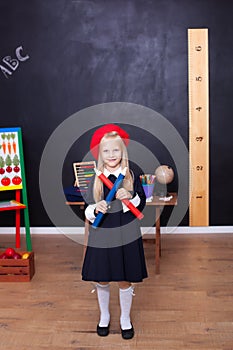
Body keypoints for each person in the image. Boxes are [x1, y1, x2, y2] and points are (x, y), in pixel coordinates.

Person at [82, 124, 148, 340]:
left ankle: (125, 319)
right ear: (100, 154)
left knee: (124, 278)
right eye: (106, 151)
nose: (111, 155)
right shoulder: (95, 177)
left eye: (116, 150)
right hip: (103, 233)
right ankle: (104, 316)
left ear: (123, 151)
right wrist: (95, 208)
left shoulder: (130, 173)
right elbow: (88, 210)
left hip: (126, 232)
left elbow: (142, 201)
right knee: (101, 278)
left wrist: (130, 197)